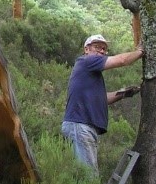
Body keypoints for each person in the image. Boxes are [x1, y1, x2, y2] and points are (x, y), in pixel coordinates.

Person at [61, 34, 144, 176]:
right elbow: (122, 60)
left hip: (82, 126)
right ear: (86, 49)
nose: (101, 51)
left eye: (104, 49)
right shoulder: (87, 61)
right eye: (97, 47)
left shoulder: (90, 72)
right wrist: (140, 51)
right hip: (80, 126)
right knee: (88, 176)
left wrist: (123, 93)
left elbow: (101, 98)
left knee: (83, 174)